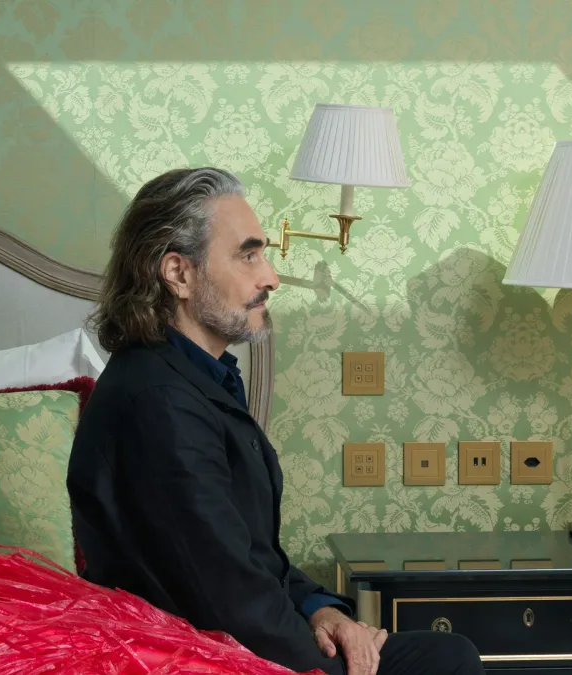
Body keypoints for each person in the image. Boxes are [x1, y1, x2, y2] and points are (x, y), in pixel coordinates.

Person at [67, 167, 484, 675]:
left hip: (240, 628)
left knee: (448, 653)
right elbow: (226, 599)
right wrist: (339, 662)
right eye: (248, 256)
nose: (270, 277)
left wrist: (323, 611)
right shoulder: (158, 403)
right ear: (179, 274)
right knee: (443, 662)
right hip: (198, 655)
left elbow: (250, 557)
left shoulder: (194, 378)